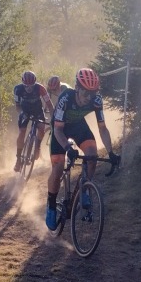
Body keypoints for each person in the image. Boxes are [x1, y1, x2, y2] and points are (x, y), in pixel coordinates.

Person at [45, 67, 120, 229]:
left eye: (92, 93)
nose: (89, 97)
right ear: (77, 88)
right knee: (58, 167)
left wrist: (111, 152)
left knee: (92, 157)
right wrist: (68, 148)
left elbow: (102, 128)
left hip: (78, 126)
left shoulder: (96, 100)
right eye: (86, 93)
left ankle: (84, 188)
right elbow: (57, 130)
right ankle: (51, 205)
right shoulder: (66, 98)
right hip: (60, 128)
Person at [13, 70, 54, 172]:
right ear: (23, 83)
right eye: (26, 86)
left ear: (35, 83)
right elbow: (17, 106)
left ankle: (37, 146)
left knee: (41, 129)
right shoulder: (18, 89)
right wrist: (22, 113)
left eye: (31, 85)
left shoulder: (40, 88)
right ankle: (18, 158)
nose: (29, 88)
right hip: (24, 110)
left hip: (37, 110)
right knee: (22, 132)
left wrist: (53, 117)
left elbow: (49, 104)